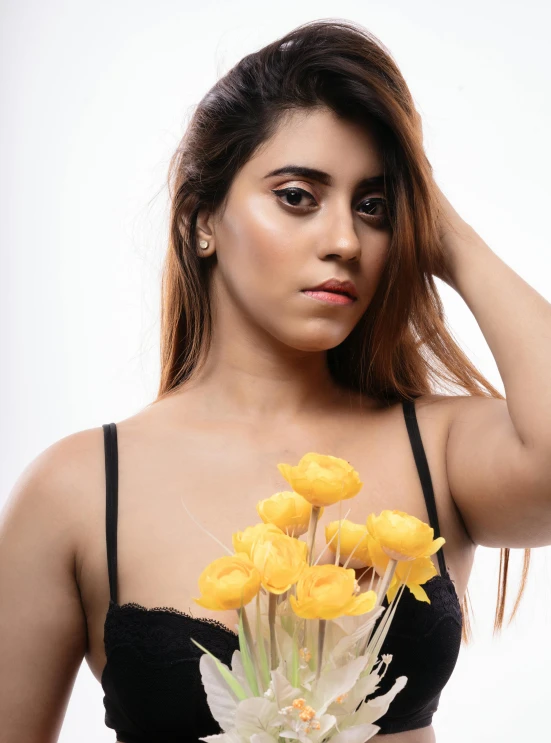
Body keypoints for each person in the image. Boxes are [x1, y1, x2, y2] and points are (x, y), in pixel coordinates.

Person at [1, 18, 549, 743]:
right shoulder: (75, 489)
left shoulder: (438, 445)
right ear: (201, 218)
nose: (345, 241)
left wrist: (441, 230)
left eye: (373, 206)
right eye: (297, 196)